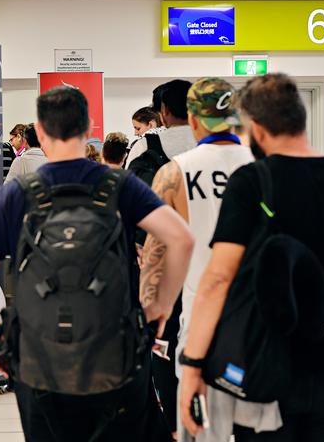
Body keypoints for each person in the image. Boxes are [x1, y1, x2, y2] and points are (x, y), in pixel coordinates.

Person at [0, 86, 194, 441]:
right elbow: (181, 239)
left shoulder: (18, 192)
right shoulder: (120, 185)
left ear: (39, 132)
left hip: (39, 361)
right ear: (88, 127)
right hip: (115, 355)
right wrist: (158, 308)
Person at [179, 73, 324, 441]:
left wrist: (192, 367)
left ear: (257, 128)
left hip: (271, 367)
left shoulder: (253, 181)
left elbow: (218, 279)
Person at [140, 78, 255, 442]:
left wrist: (151, 318)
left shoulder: (174, 174)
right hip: (261, 324)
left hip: (200, 326)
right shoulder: (264, 166)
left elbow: (154, 259)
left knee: (201, 428)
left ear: (192, 121)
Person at [127, 79, 195, 436]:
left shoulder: (145, 147)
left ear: (162, 112)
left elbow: (128, 208)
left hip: (162, 271)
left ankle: (170, 425)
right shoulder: (216, 149)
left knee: (163, 352)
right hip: (213, 269)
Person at [126, 80, 196, 170]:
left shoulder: (144, 145)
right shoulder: (210, 144)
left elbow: (129, 181)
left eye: (137, 128)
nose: (135, 133)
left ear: (164, 111)